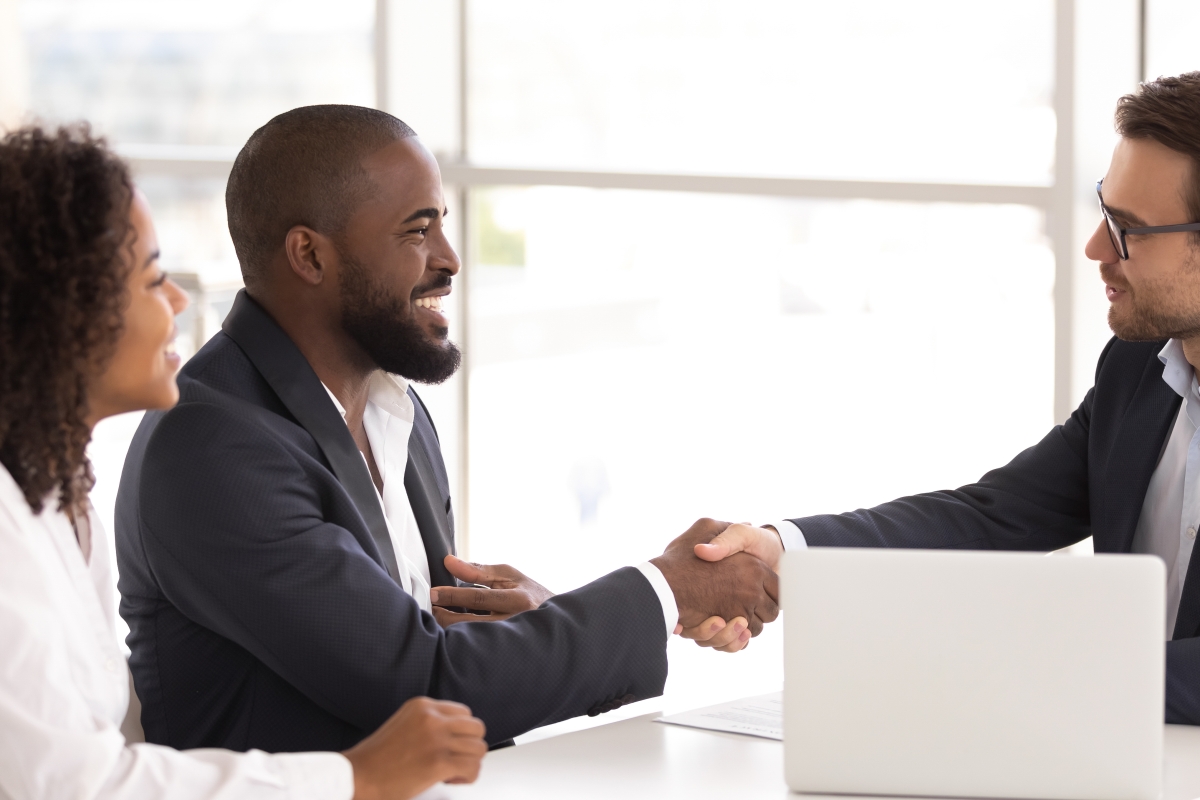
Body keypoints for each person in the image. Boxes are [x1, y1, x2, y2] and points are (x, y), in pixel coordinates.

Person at [115, 104, 779, 753]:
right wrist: (668, 589)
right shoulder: (214, 447)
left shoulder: (394, 410)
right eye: (417, 230)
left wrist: (560, 617)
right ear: (310, 256)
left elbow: (440, 649)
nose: (452, 258)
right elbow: (424, 686)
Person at [687, 71, 1200, 723]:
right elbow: (996, 516)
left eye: (1127, 229)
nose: (1095, 247)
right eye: (1103, 210)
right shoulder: (1136, 368)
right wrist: (782, 551)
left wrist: (1024, 668)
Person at [0, 125, 489, 800]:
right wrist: (358, 777)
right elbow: (71, 786)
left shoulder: (53, 494)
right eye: (150, 279)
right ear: (54, 314)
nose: (176, 301)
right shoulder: (205, 446)